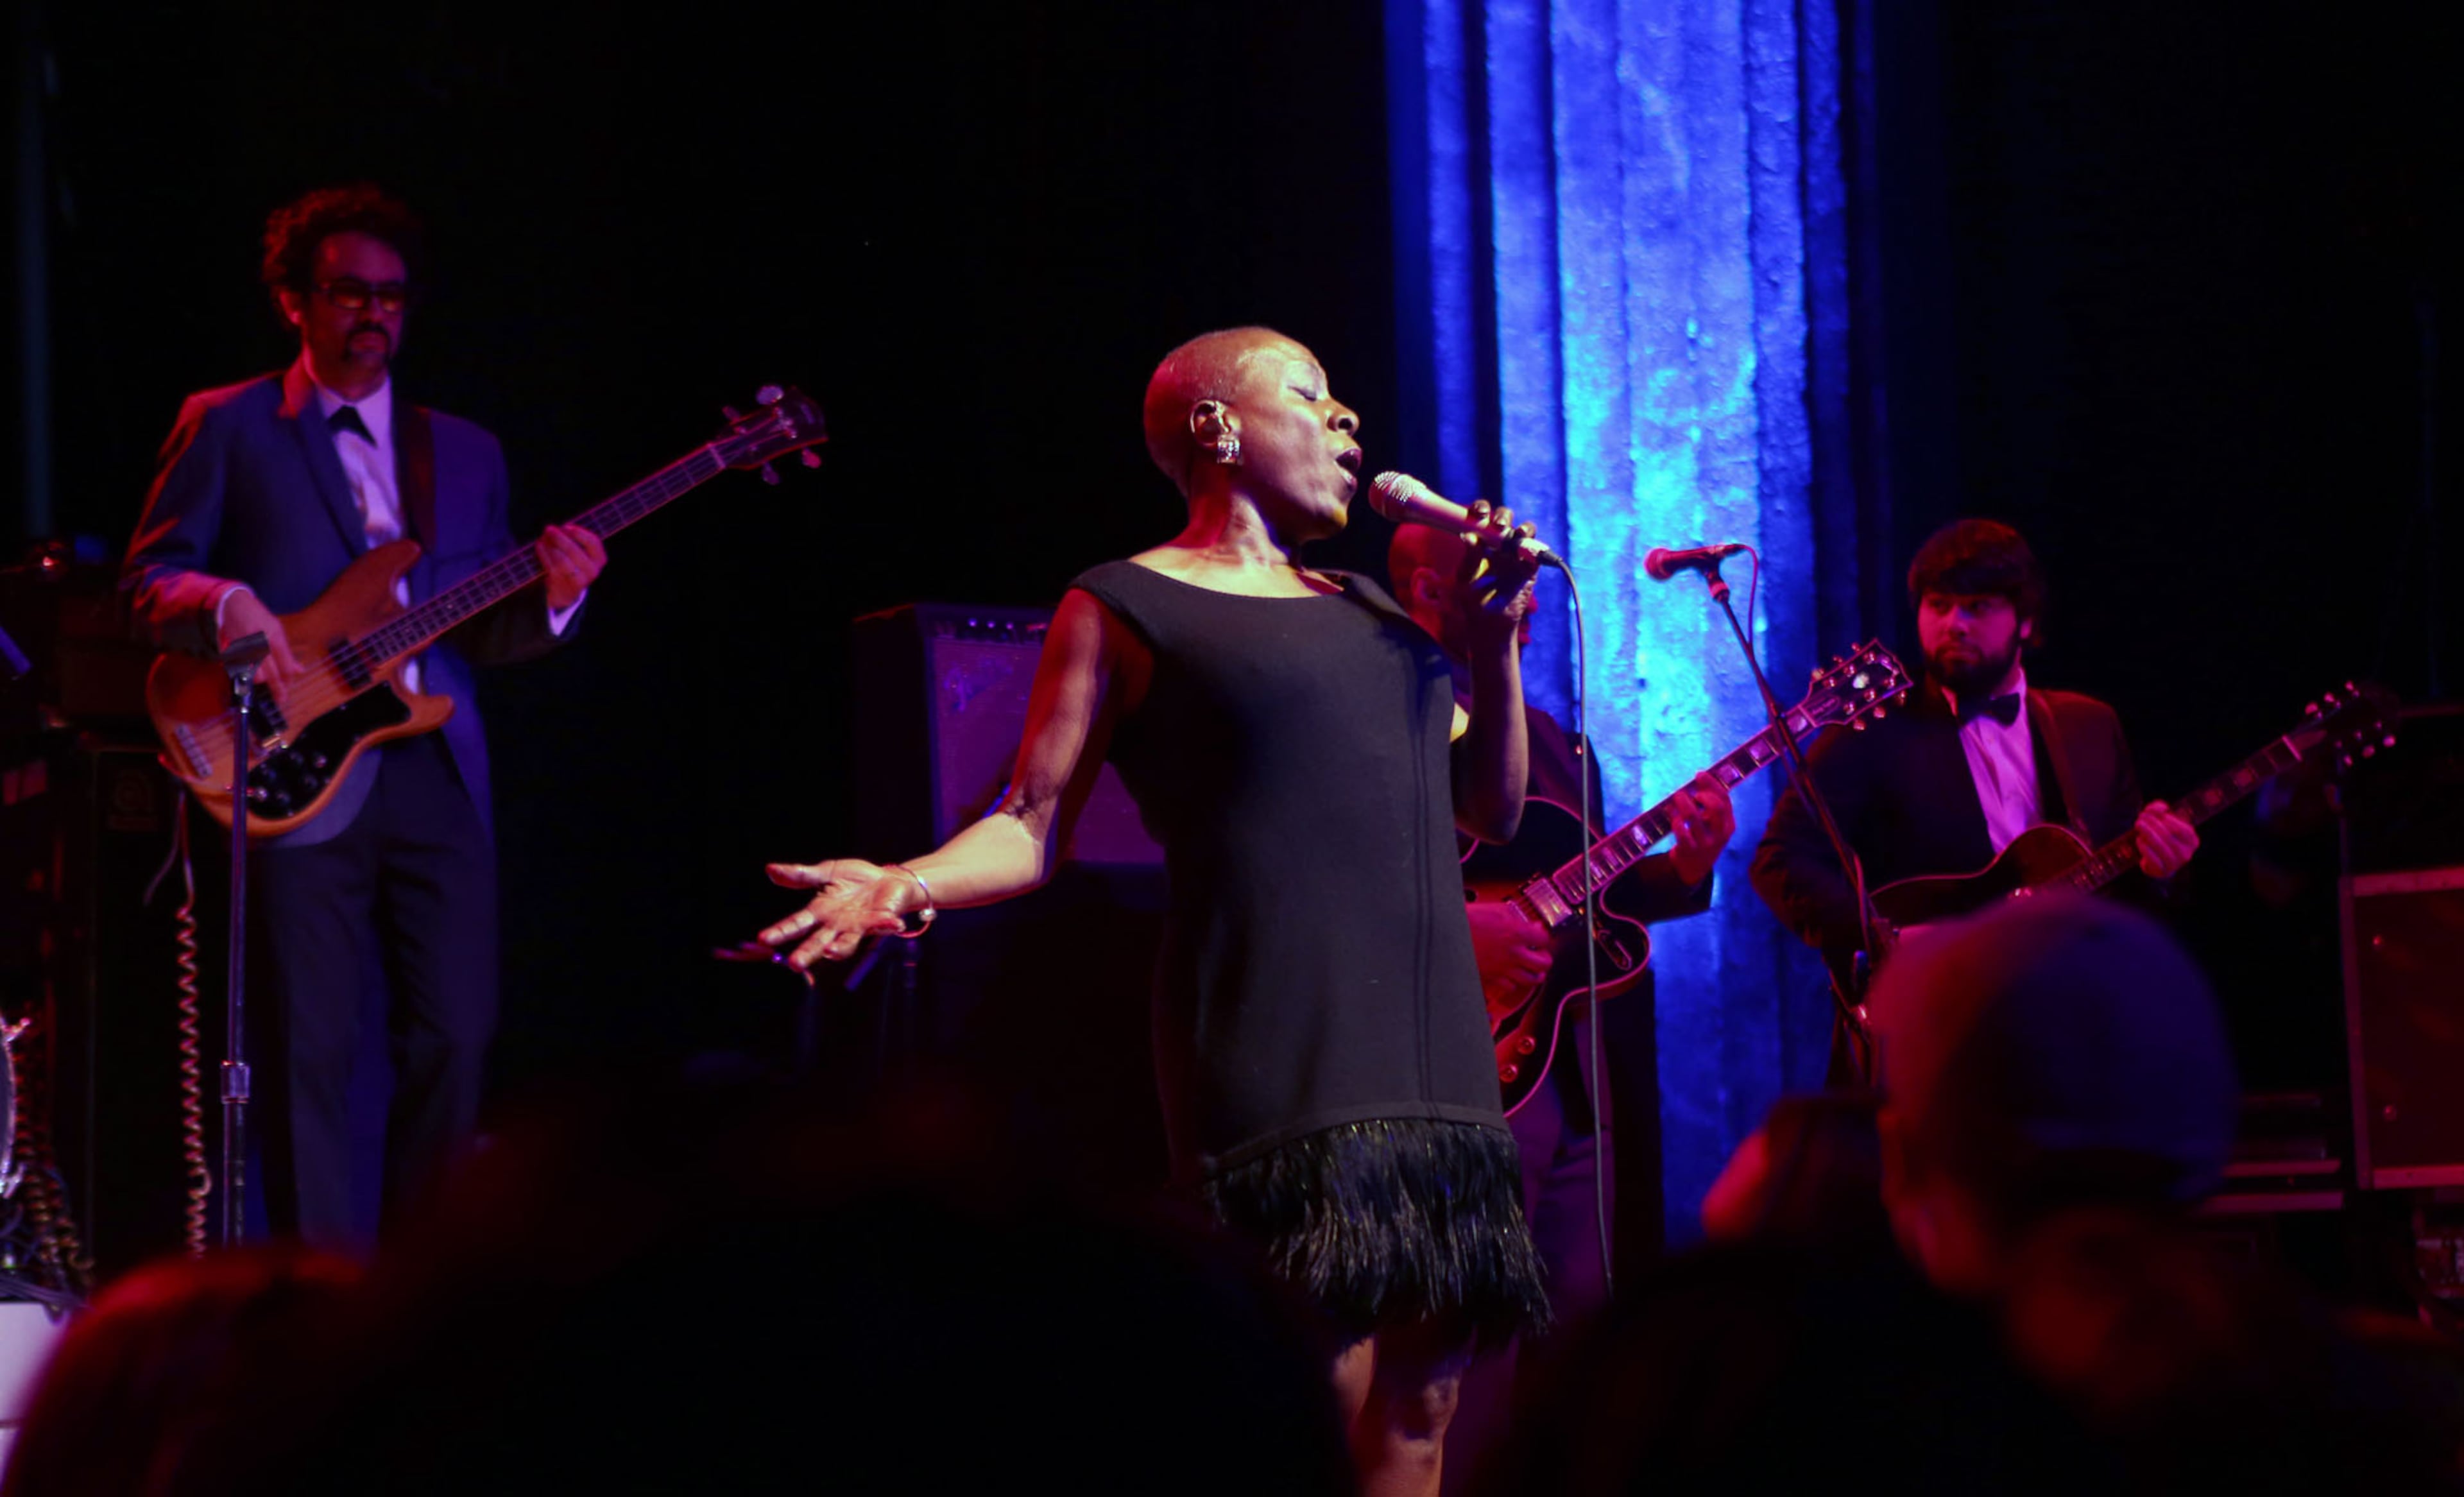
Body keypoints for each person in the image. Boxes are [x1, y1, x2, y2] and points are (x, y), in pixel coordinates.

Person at [757, 327, 1547, 1497]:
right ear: (1218, 428)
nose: (1348, 421)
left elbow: (1490, 809)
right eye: (1312, 396)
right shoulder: (1126, 602)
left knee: (1428, 1397)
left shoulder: (1377, 613)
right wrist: (904, 882)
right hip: (1283, 1041)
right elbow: (1030, 821)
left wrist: (1493, 645)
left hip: (1435, 1049)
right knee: (1317, 1382)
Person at [123, 185, 606, 1245]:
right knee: (312, 1049)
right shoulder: (228, 421)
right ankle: (319, 1289)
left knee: (458, 1034)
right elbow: (150, 578)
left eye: (391, 296)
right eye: (348, 291)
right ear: (294, 300)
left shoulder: (465, 449)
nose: (373, 313)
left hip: (439, 765)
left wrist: (558, 597)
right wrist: (225, 602)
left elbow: (484, 627)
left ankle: (424, 1277)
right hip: (294, 758)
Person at [1385, 522, 1732, 1491]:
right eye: (1495, 575)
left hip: (1571, 1067)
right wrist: (1461, 931)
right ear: (1428, 590)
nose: (1526, 592)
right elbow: (1345, 885)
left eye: (1528, 577)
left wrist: (1687, 864)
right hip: (1459, 1065)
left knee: (1579, 1328)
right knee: (1471, 1347)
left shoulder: (1552, 737)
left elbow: (1585, 895)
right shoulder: (1389, 716)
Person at [1748, 518, 2196, 1065]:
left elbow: (2123, 894)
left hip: (2071, 1032)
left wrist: (2162, 870)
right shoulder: (1870, 730)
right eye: (1939, 605)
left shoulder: (2090, 727)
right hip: (1932, 1040)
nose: (1954, 624)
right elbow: (1779, 861)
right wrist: (1884, 937)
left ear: (2026, 622)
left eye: (1978, 607)